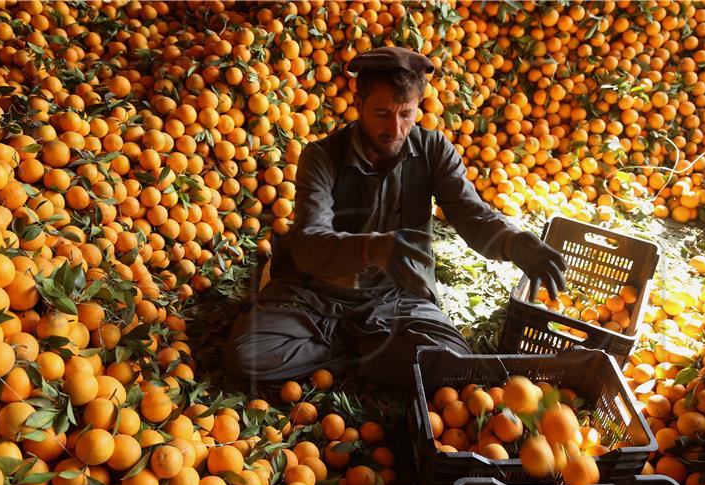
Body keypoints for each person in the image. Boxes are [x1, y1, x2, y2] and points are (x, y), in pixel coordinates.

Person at [223, 47, 567, 388]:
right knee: (247, 354)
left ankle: (345, 349)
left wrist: (513, 241)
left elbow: (473, 215)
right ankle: (370, 351)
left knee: (450, 361)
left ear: (418, 108)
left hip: (397, 295)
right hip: (317, 293)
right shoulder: (323, 156)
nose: (395, 128)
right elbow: (310, 241)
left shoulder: (434, 151)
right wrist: (371, 248)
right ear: (359, 106)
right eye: (382, 113)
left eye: (406, 114)